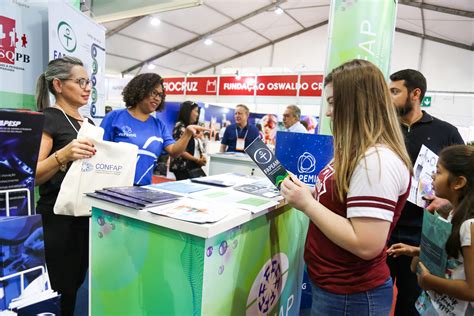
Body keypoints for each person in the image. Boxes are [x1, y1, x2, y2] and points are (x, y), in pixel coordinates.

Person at [280, 59, 412, 315]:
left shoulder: (376, 161)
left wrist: (306, 204)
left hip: (351, 296)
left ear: (355, 102)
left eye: (332, 102)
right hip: (335, 289)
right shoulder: (357, 151)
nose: (328, 112)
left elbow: (366, 243)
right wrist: (308, 192)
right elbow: (342, 205)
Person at [388, 69, 464, 315]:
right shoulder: (383, 129)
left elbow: (465, 178)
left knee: (411, 303)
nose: (389, 97)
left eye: (395, 91)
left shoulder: (446, 132)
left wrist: (447, 200)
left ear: (415, 94)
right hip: (383, 228)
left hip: (425, 234)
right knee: (375, 296)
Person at [35, 56, 96, 316]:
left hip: (85, 217)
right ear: (58, 85)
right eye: (80, 81)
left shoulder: (89, 123)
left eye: (89, 81)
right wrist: (64, 155)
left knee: (77, 284)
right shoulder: (49, 118)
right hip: (56, 219)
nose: (87, 87)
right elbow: (33, 174)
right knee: (60, 289)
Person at [387, 145, 474, 315]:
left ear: (458, 182)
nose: (433, 175)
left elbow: (472, 289)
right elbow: (457, 259)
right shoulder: (453, 214)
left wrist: (430, 281)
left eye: (439, 171)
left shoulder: (468, 226)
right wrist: (415, 251)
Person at [100, 73, 206, 186]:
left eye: (160, 95)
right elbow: (99, 152)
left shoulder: (159, 125)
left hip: (144, 189)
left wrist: (187, 133)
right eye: (153, 93)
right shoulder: (115, 117)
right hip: (113, 187)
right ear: (140, 90)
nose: (157, 98)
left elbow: (174, 151)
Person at [170, 101, 207, 180]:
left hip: (191, 167)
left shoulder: (190, 127)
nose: (197, 114)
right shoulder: (180, 126)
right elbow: (179, 150)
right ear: (188, 111)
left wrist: (201, 157)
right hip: (183, 168)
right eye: (196, 111)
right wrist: (197, 160)